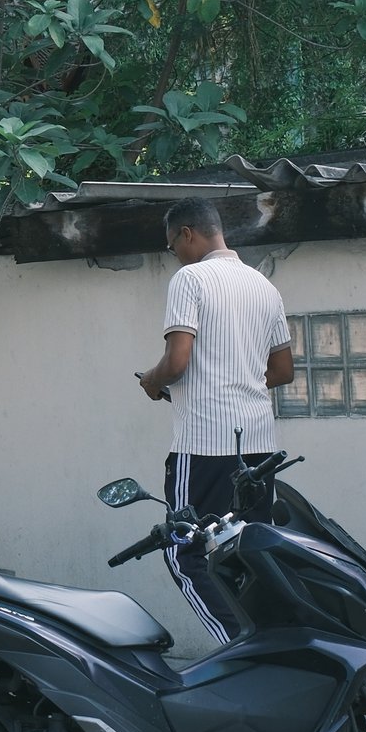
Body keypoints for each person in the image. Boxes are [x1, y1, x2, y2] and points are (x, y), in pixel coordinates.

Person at [133, 196, 296, 644]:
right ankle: (273, 643)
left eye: (172, 246)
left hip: (204, 444)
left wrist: (151, 379)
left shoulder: (191, 279)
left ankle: (239, 650)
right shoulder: (264, 286)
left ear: (187, 234)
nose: (175, 255)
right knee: (249, 553)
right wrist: (236, 378)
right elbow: (282, 372)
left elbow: (177, 362)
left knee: (184, 552)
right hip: (259, 445)